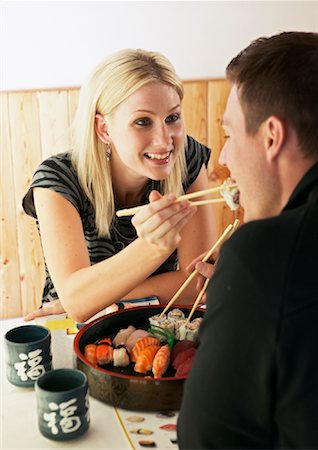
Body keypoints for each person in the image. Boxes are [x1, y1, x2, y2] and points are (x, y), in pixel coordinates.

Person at [177, 31, 318, 448]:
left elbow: (205, 439)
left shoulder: (262, 256)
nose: (222, 159)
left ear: (272, 137)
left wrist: (245, 286)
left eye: (229, 135)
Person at [22, 49, 216, 323]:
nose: (164, 140)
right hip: (75, 328)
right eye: (142, 122)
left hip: (159, 322)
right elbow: (77, 305)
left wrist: (99, 299)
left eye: (172, 118)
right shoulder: (57, 179)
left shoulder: (188, 158)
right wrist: (152, 248)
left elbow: (196, 285)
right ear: (104, 129)